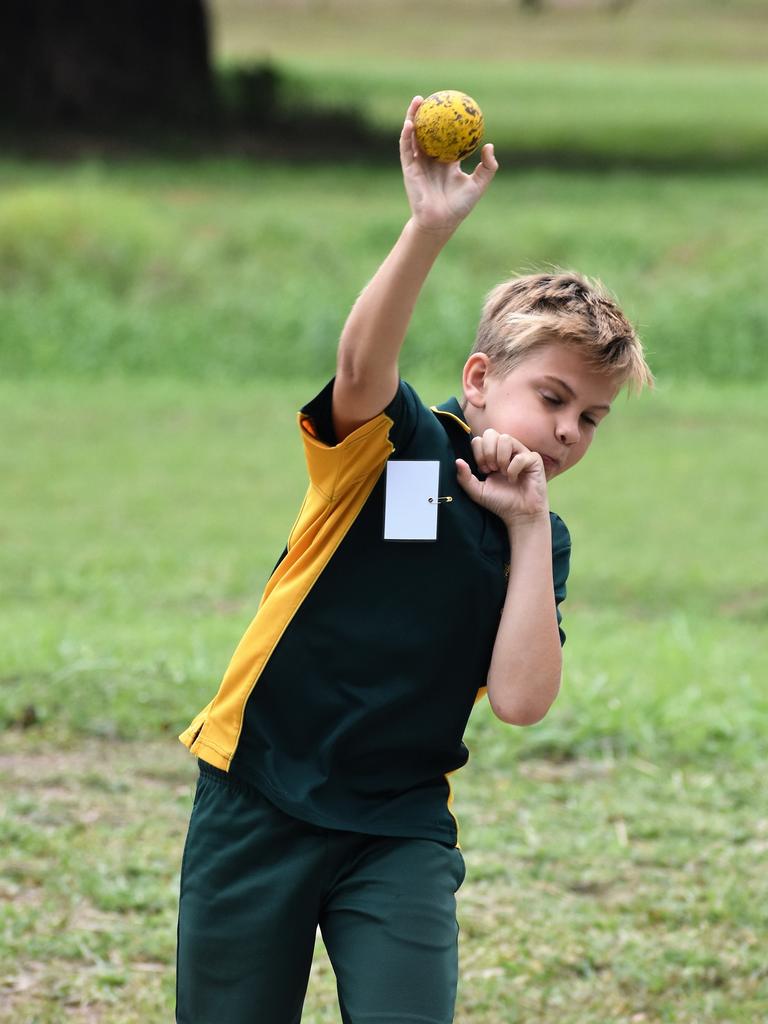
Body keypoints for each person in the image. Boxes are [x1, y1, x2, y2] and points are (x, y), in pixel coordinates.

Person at [174, 96, 653, 1024]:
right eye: (552, 397)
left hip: (396, 827)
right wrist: (428, 229)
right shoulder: (399, 445)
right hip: (259, 791)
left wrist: (523, 527)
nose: (567, 429)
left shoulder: (541, 539)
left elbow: (519, 701)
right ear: (479, 380)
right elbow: (361, 367)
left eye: (590, 417)